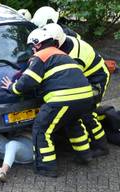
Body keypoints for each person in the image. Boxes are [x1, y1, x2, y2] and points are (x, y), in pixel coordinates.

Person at [1, 27, 95, 177]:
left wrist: (12, 87)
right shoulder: (62, 55)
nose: (32, 49)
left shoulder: (41, 56)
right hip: (85, 97)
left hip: (63, 99)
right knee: (73, 124)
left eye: (32, 46)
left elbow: (27, 82)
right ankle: (85, 156)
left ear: (37, 44)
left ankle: (46, 168)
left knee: (41, 130)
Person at [42, 23, 110, 157]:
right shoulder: (62, 41)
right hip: (84, 78)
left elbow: (70, 81)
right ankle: (85, 146)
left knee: (87, 112)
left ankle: (101, 147)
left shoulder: (73, 57)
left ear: (56, 42)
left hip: (96, 80)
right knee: (77, 112)